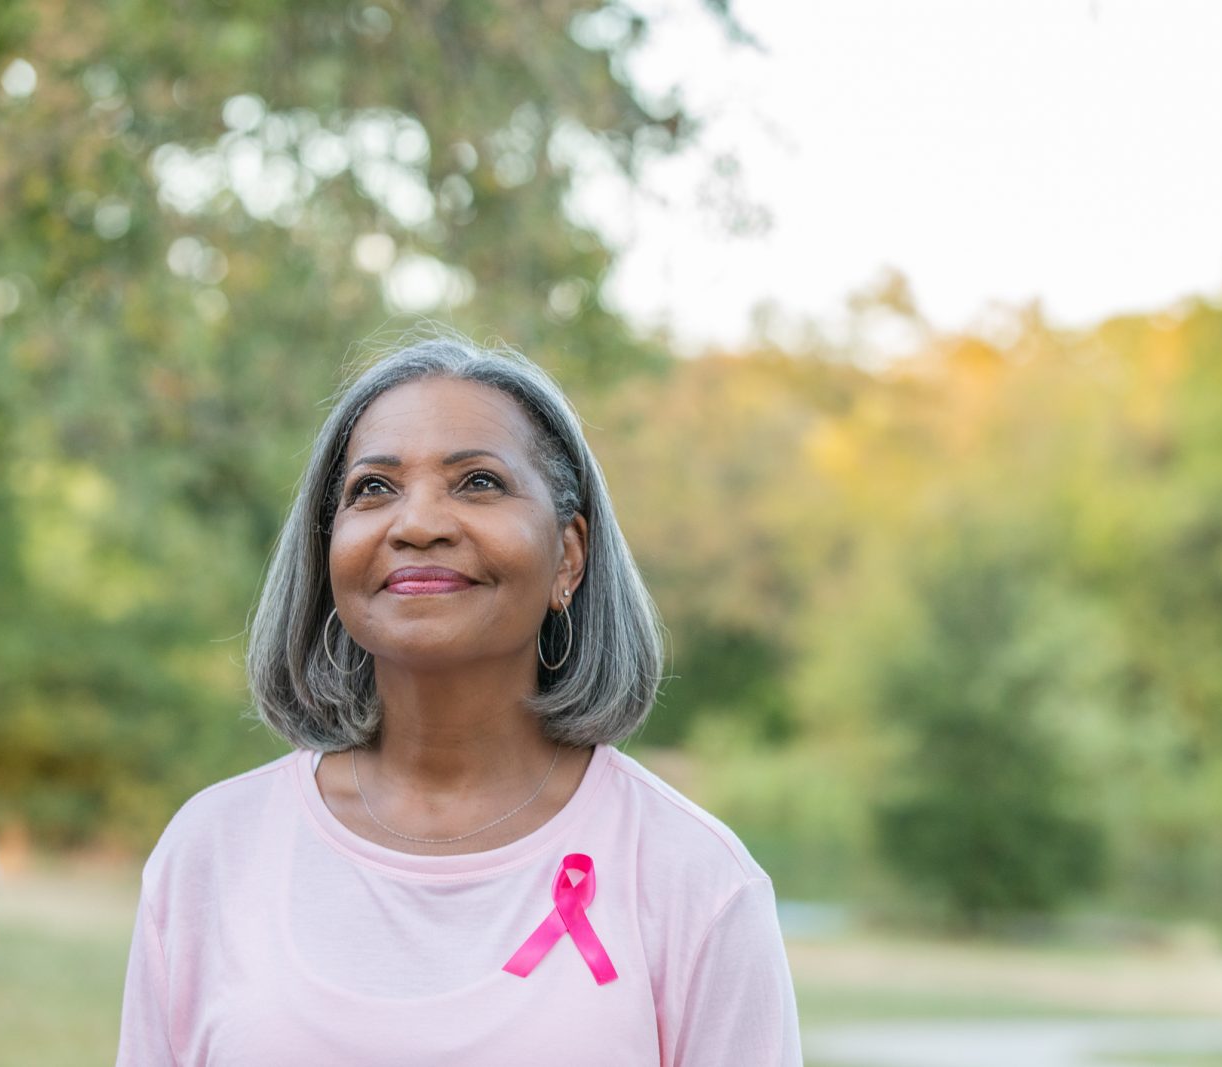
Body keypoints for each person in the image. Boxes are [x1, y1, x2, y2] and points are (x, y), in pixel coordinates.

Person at [116, 337, 803, 1065]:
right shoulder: (211, 853)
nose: (417, 523)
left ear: (568, 556)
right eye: (373, 488)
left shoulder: (694, 877)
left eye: (477, 482)